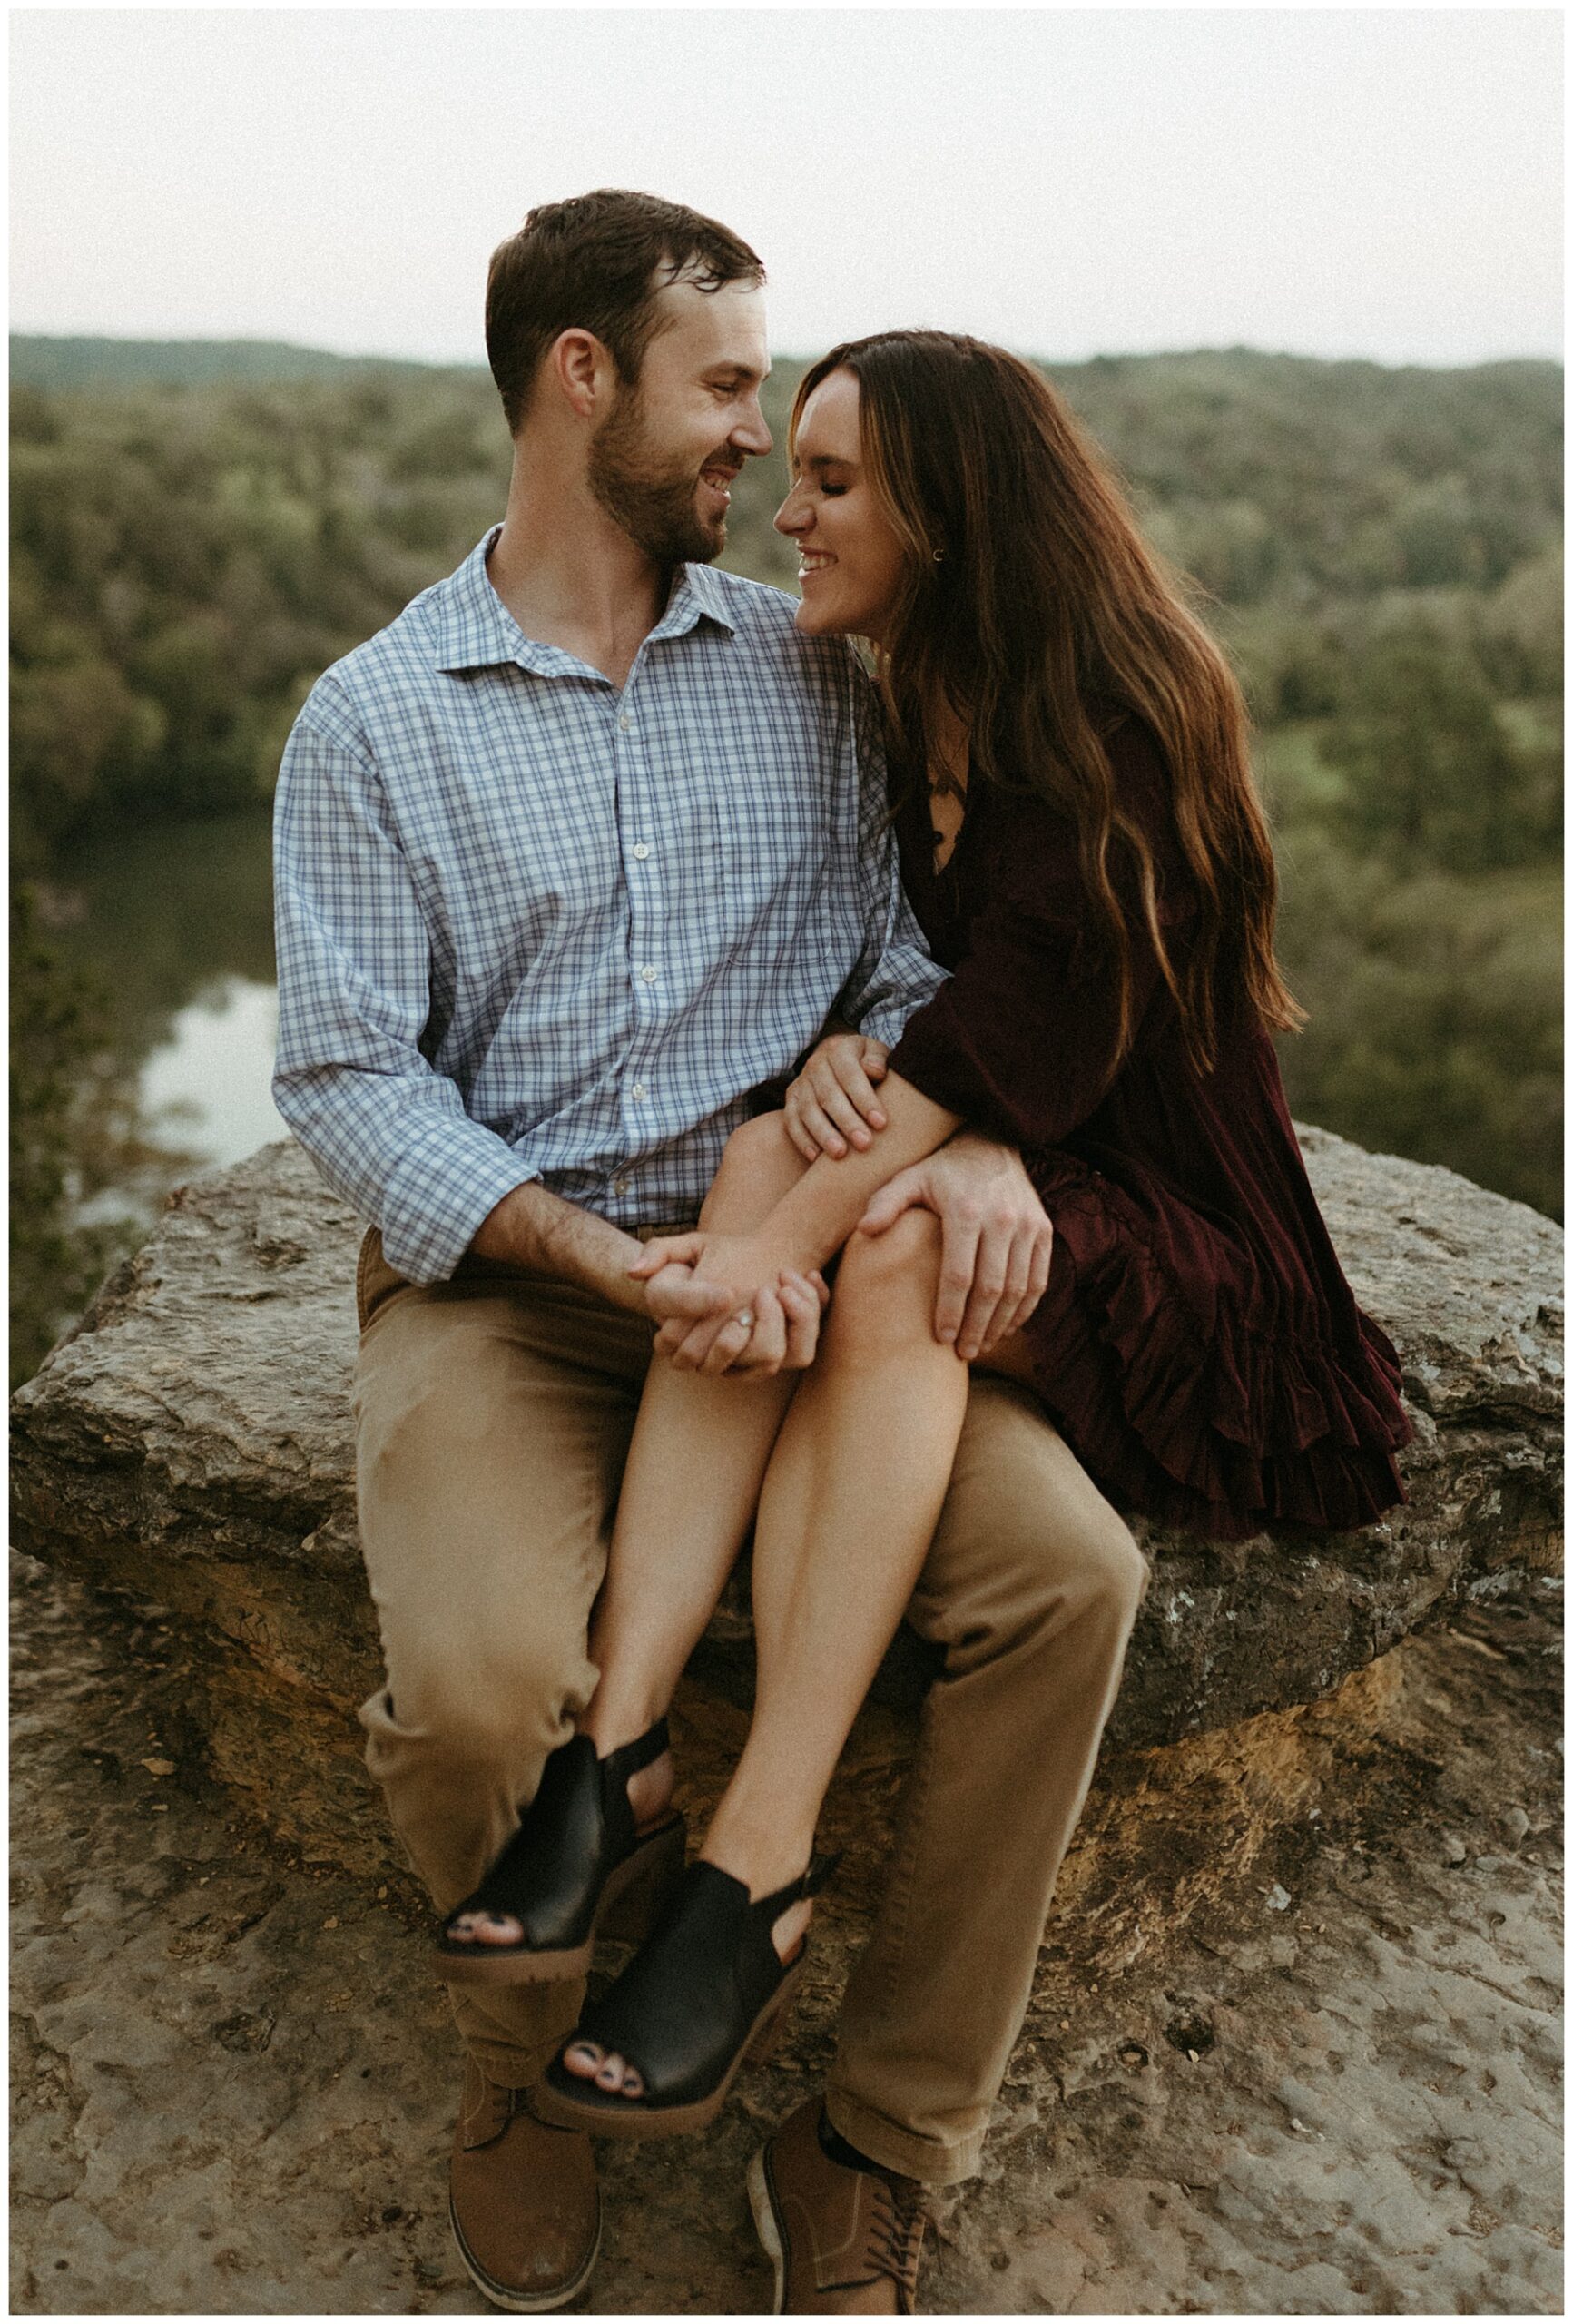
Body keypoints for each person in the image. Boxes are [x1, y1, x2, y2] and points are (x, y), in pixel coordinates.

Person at [462, 328, 1413, 2303]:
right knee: (767, 1171)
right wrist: (856, 1084)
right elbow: (911, 1002)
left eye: (829, 482)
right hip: (995, 1165)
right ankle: (618, 1752)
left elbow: (1021, 1030)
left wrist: (912, 1162)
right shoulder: (900, 698)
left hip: (1166, 1216)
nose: (784, 514)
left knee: (843, 1238)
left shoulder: (1130, 713)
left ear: (953, 514)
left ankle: (761, 1865)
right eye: (786, 465)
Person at [272, 193, 1146, 2316]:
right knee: (494, 1689)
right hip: (519, 1294)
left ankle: (876, 2125)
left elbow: (920, 954)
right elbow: (351, 1084)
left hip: (810, 1284)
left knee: (1069, 1581)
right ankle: (519, 2081)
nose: (756, 440)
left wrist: (961, 1130)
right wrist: (610, 1257)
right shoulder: (372, 724)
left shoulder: (808, 669)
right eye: (731, 388)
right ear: (586, 379)